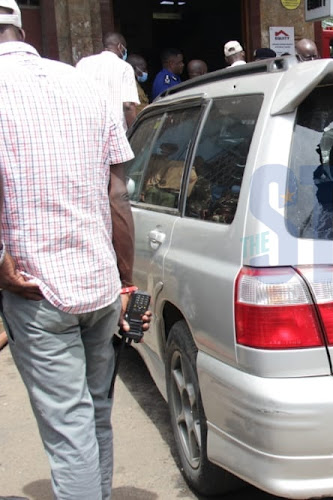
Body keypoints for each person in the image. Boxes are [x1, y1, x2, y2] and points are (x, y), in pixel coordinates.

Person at [0, 1, 152, 499]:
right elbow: (117, 196)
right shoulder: (83, 85)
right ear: (21, 27)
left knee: (69, 430)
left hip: (37, 290)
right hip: (100, 285)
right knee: (95, 417)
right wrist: (126, 279)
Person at [75, 32, 140, 130]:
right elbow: (128, 106)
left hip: (87, 128)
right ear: (120, 46)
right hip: (114, 130)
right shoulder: (124, 67)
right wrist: (135, 133)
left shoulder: (83, 63)